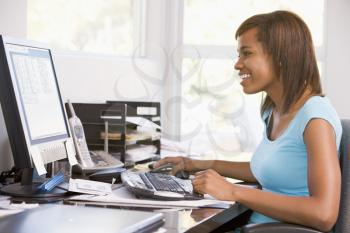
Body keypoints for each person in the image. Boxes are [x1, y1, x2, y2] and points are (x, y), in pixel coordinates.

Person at [154, 10, 342, 232]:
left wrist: (233, 191)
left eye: (247, 53)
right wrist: (195, 164)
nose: (237, 64)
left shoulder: (315, 119)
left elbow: (324, 214)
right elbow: (271, 170)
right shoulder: (275, 111)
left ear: (281, 57)